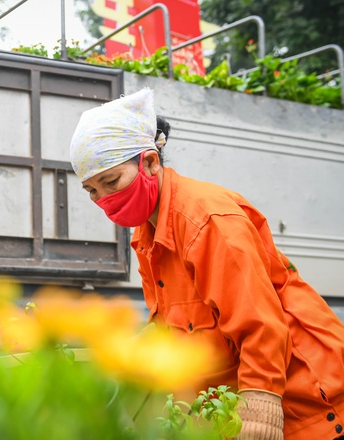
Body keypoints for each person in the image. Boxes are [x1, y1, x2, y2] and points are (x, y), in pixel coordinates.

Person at [69, 88, 344, 440]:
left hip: (305, 399)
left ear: (151, 162)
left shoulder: (207, 220)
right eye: (92, 190)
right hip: (231, 404)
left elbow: (259, 321)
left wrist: (259, 402)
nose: (104, 200)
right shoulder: (146, 234)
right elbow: (168, 324)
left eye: (111, 182)